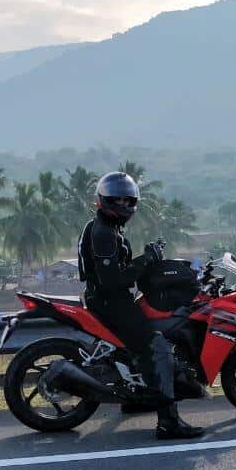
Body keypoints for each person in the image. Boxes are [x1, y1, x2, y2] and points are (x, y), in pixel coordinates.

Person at [78, 171, 203, 440]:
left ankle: (135, 397)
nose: (124, 205)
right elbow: (113, 280)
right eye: (118, 200)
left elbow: (119, 269)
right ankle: (169, 422)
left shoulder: (107, 227)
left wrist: (146, 257)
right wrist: (145, 259)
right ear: (105, 200)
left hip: (110, 298)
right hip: (110, 302)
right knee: (156, 347)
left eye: (128, 200)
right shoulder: (103, 232)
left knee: (138, 345)